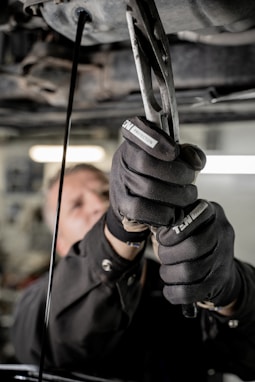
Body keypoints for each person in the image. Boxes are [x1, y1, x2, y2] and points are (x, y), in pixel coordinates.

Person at [10, 117, 255, 382]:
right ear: (59, 243)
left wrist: (234, 294)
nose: (97, 204)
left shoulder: (179, 279)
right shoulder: (40, 298)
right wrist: (117, 228)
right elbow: (49, 344)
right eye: (76, 205)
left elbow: (245, 358)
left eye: (106, 193)